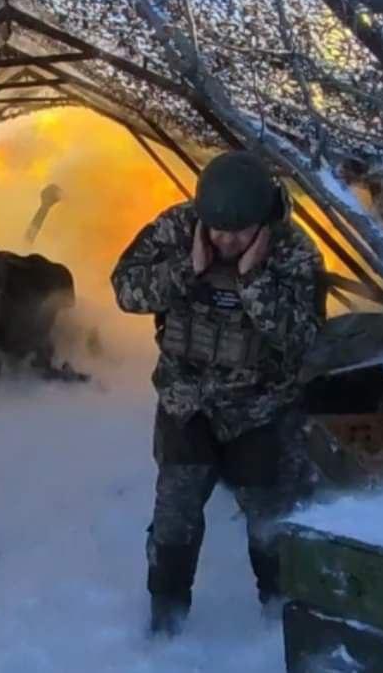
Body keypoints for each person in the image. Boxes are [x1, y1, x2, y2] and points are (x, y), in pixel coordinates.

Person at [110, 150, 326, 636]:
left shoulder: (294, 253)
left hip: (261, 410)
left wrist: (252, 282)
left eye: (238, 233)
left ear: (263, 222)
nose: (226, 240)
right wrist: (186, 268)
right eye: (217, 230)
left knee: (269, 521)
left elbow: (305, 337)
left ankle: (280, 625)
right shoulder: (180, 229)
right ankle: (165, 627)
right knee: (174, 520)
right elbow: (125, 289)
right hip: (187, 405)